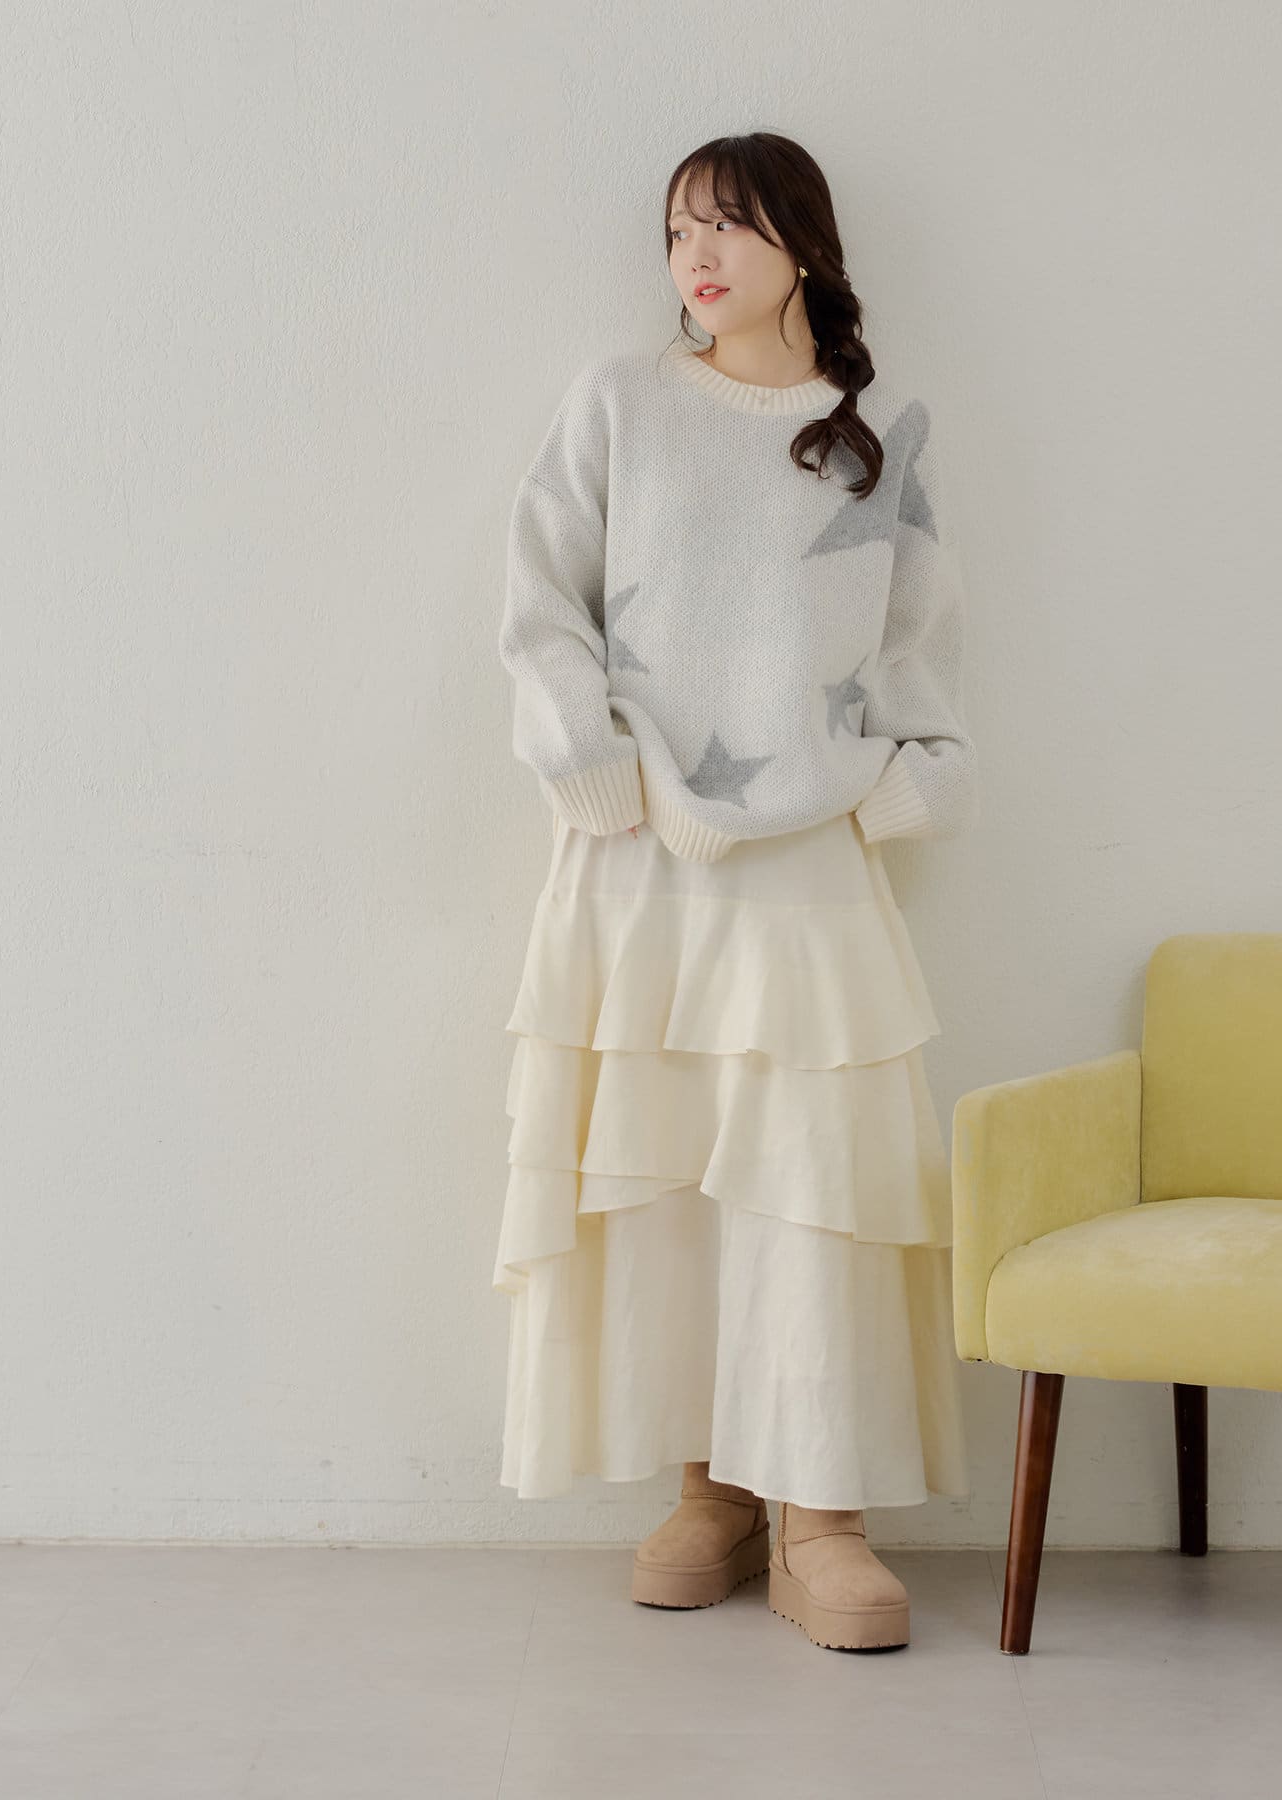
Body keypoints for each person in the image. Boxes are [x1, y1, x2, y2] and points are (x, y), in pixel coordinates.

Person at [493, 132, 976, 1652]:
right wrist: (592, 771)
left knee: (816, 1179)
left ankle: (822, 1517)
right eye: (678, 232)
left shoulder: (876, 434)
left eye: (731, 227)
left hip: (811, 858)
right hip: (640, 849)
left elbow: (917, 654)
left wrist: (910, 787)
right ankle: (709, 1491)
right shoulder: (619, 402)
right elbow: (540, 603)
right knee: (671, 1185)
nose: (696, 258)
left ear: (803, 246)